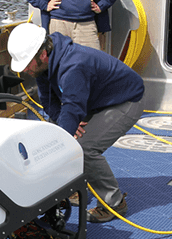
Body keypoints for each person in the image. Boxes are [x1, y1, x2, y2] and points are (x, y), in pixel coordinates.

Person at [8, 23, 144, 223]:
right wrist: (64, 126)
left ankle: (114, 204)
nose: (26, 69)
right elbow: (48, 101)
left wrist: (64, 136)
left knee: (84, 148)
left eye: (27, 63)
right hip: (95, 100)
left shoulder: (74, 65)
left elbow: (72, 108)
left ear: (43, 54)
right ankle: (73, 187)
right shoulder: (42, 66)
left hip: (126, 100)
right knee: (61, 132)